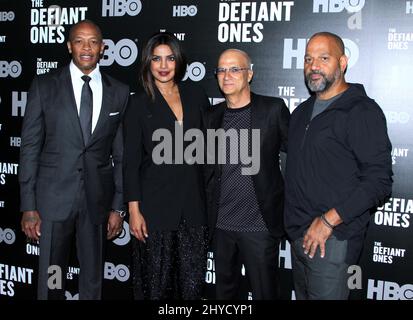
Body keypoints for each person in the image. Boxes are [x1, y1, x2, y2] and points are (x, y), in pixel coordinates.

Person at [19, 20, 129, 300]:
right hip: (53, 202)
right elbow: (30, 147)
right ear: (69, 46)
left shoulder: (118, 91)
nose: (87, 47)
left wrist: (118, 207)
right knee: (53, 277)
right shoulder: (44, 86)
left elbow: (122, 155)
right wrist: (29, 206)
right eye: (79, 41)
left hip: (97, 204)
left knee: (92, 280)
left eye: (93, 41)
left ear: (103, 48)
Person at [284, 32, 393, 300]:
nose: (314, 66)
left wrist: (328, 220)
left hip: (332, 241)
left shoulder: (361, 111)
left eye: (323, 58)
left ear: (342, 62)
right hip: (298, 237)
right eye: (308, 59)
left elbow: (379, 181)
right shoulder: (301, 112)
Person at [123, 32, 209, 300]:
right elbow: (131, 162)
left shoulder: (196, 94)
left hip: (194, 207)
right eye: (156, 59)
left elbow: (208, 151)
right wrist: (134, 211)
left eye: (170, 58)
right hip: (154, 208)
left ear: (178, 61)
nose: (163, 65)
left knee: (191, 287)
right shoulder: (138, 103)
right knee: (155, 287)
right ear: (148, 63)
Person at [204, 49, 290, 299]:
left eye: (235, 69)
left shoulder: (273, 110)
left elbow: (299, 157)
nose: (226, 75)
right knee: (224, 297)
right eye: (221, 70)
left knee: (266, 294)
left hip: (260, 228)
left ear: (249, 74)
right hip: (221, 228)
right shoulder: (212, 117)